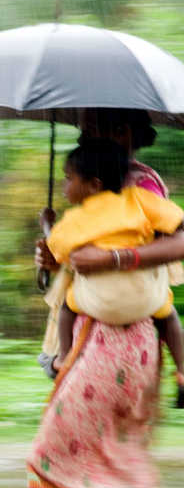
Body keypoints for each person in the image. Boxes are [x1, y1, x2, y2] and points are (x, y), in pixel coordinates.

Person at [37, 108, 184, 403]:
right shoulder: (95, 180)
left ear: (122, 133)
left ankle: (64, 361)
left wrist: (112, 258)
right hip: (117, 297)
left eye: (89, 129)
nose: (81, 136)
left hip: (114, 303)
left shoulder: (141, 186)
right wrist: (50, 261)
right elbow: (70, 249)